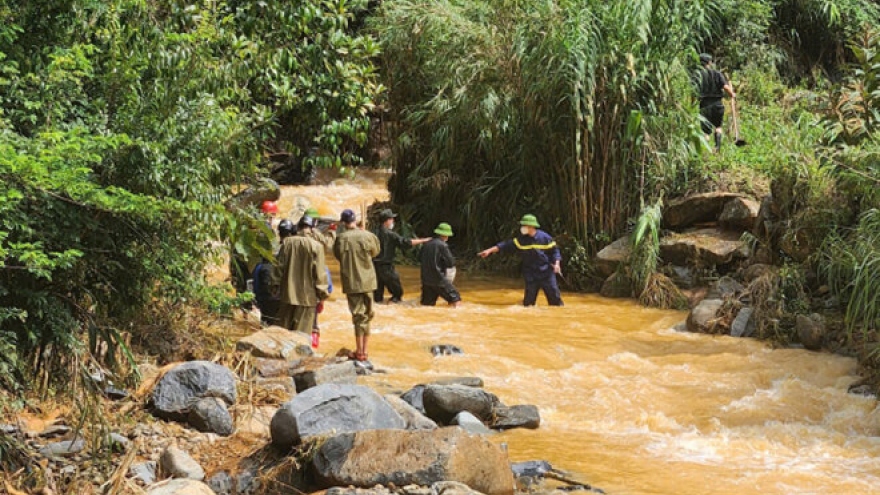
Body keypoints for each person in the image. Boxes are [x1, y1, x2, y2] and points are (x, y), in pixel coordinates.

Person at [478, 214, 563, 307]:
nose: (522, 228)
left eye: (524, 226)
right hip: (531, 274)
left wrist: (557, 264)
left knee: (555, 302)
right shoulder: (521, 240)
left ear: (531, 227)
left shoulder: (545, 238)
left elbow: (555, 251)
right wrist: (489, 251)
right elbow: (505, 245)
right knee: (529, 304)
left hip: (546, 273)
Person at [333, 209, 381, 361]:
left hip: (352, 281)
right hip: (368, 281)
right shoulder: (367, 236)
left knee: (358, 316)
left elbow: (338, 256)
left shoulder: (340, 239)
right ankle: (364, 351)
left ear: (343, 223)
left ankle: (359, 351)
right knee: (368, 315)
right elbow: (376, 252)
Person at [271, 215, 330, 333]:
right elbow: (320, 275)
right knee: (301, 336)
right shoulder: (317, 247)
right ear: (312, 228)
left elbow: (278, 268)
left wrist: (275, 286)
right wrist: (322, 295)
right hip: (307, 299)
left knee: (283, 334)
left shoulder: (287, 243)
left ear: (298, 227)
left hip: (287, 295)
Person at [372, 209, 431, 303]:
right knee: (397, 293)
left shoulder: (373, 233)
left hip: (374, 267)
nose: (393, 221)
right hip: (386, 267)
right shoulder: (390, 234)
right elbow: (406, 243)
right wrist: (423, 240)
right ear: (386, 221)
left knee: (377, 296)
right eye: (392, 219)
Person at [253, 219, 295, 326]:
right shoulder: (293, 252)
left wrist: (257, 298)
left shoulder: (269, 252)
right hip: (283, 298)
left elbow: (256, 278)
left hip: (266, 298)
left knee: (266, 325)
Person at [695, 53, 736, 151]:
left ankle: (706, 151)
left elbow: (694, 91)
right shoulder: (717, 74)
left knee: (705, 131)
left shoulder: (698, 75)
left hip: (704, 105)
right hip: (717, 104)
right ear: (709, 62)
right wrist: (732, 94)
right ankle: (717, 147)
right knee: (718, 127)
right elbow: (725, 87)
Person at [420, 222, 461, 307]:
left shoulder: (426, 244)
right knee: (455, 298)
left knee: (427, 305)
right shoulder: (442, 245)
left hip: (426, 280)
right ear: (445, 235)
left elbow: (420, 259)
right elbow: (450, 263)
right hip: (439, 279)